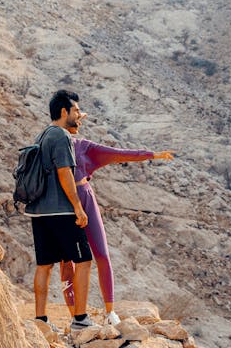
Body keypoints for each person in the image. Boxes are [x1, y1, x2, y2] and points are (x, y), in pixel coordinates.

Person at [59, 116, 174, 325]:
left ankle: (110, 312)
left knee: (102, 254)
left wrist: (152, 155)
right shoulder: (50, 145)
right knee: (67, 262)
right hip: (61, 204)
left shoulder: (83, 145)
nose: (80, 119)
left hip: (84, 198)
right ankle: (75, 317)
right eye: (76, 113)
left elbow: (118, 154)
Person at [24, 90, 95, 330]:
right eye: (75, 110)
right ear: (64, 112)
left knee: (44, 265)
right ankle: (81, 319)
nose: (78, 114)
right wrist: (78, 207)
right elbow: (65, 174)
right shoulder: (61, 137)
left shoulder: (42, 135)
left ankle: (41, 320)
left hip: (38, 211)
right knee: (84, 260)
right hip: (61, 212)